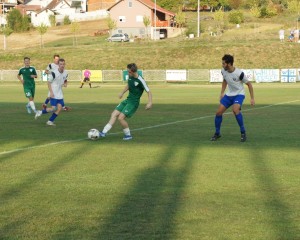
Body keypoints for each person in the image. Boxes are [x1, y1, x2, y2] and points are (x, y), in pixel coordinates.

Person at [99, 63, 152, 140]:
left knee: (121, 118)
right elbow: (128, 85)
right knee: (114, 114)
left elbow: (148, 91)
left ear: (133, 71)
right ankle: (103, 132)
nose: (128, 73)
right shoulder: (130, 77)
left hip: (133, 103)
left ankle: (128, 135)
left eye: (129, 72)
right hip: (127, 100)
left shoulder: (140, 80)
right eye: (127, 71)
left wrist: (150, 102)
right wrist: (122, 92)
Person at [210, 54, 255, 142]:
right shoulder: (223, 71)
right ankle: (217, 133)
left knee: (235, 110)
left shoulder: (239, 73)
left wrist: (252, 98)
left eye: (224, 63)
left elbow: (249, 84)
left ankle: (243, 132)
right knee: (218, 113)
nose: (222, 65)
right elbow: (225, 80)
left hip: (239, 94)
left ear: (229, 64)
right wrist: (222, 93)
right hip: (229, 95)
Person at [35, 58, 68, 126]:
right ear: (58, 65)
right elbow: (49, 83)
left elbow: (65, 79)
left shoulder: (65, 73)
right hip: (53, 93)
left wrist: (65, 83)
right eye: (60, 64)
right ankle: (40, 112)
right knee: (53, 109)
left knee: (59, 109)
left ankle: (50, 121)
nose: (62, 65)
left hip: (60, 94)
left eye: (63, 64)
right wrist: (51, 92)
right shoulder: (54, 73)